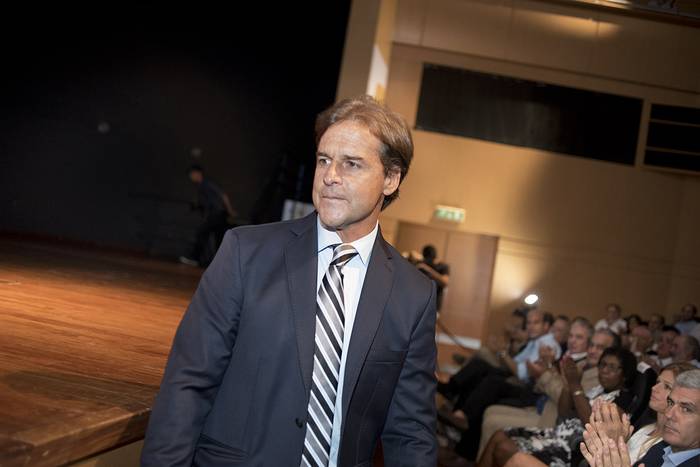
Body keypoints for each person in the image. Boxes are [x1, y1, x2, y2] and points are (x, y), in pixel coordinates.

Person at [141, 95, 438, 466]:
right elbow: (188, 383)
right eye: (324, 160)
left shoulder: (414, 295)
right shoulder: (245, 253)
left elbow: (411, 432)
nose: (330, 176)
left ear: (390, 179)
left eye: (351, 164)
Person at [477, 347, 638, 467]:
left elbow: (593, 425)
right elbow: (564, 412)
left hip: (570, 450)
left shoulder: (622, 399)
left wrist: (575, 385)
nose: (604, 371)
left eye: (612, 367)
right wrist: (569, 384)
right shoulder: (598, 390)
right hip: (556, 433)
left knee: (503, 448)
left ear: (625, 374)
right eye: (602, 365)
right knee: (498, 435)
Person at [580, 362, 696, 465]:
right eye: (657, 382)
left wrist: (613, 444)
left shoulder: (671, 442)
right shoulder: (653, 440)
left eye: (666, 386)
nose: (654, 388)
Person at [179, 164, 236, 267]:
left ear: (197, 173)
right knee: (218, 238)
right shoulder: (201, 186)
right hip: (217, 215)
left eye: (191, 175)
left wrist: (230, 210)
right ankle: (221, 263)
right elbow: (205, 202)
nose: (190, 177)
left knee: (203, 233)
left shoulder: (207, 183)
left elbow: (223, 195)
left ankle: (195, 258)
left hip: (218, 214)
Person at [413, 244, 449, 311]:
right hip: (418, 302)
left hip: (434, 304)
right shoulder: (420, 263)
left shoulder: (443, 266)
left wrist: (427, 269)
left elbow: (445, 282)